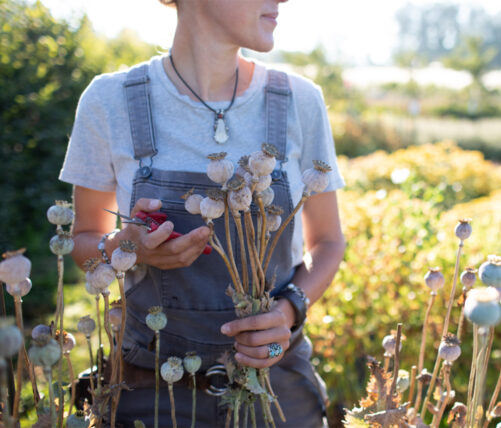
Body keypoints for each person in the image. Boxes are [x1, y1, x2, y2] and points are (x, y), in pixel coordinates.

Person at [59, 0, 345, 426]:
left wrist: (287, 313)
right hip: (150, 394)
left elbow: (328, 241)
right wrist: (126, 247)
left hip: (277, 394)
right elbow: (84, 242)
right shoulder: (110, 100)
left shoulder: (300, 101)